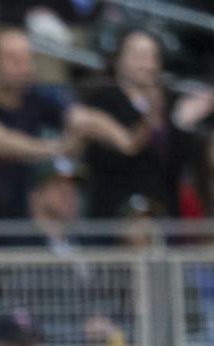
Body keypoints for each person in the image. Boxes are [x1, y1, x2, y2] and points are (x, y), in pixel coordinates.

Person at [0, 28, 134, 228]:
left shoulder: (36, 95)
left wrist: (124, 140)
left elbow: (81, 116)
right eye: (14, 60)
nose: (24, 67)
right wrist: (57, 148)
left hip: (16, 226)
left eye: (27, 59)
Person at [76, 29, 210, 223]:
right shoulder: (101, 100)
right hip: (116, 212)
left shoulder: (171, 100)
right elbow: (105, 158)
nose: (147, 64)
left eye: (152, 57)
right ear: (118, 59)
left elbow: (178, 166)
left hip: (163, 211)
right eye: (139, 56)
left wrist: (184, 125)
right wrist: (154, 119)